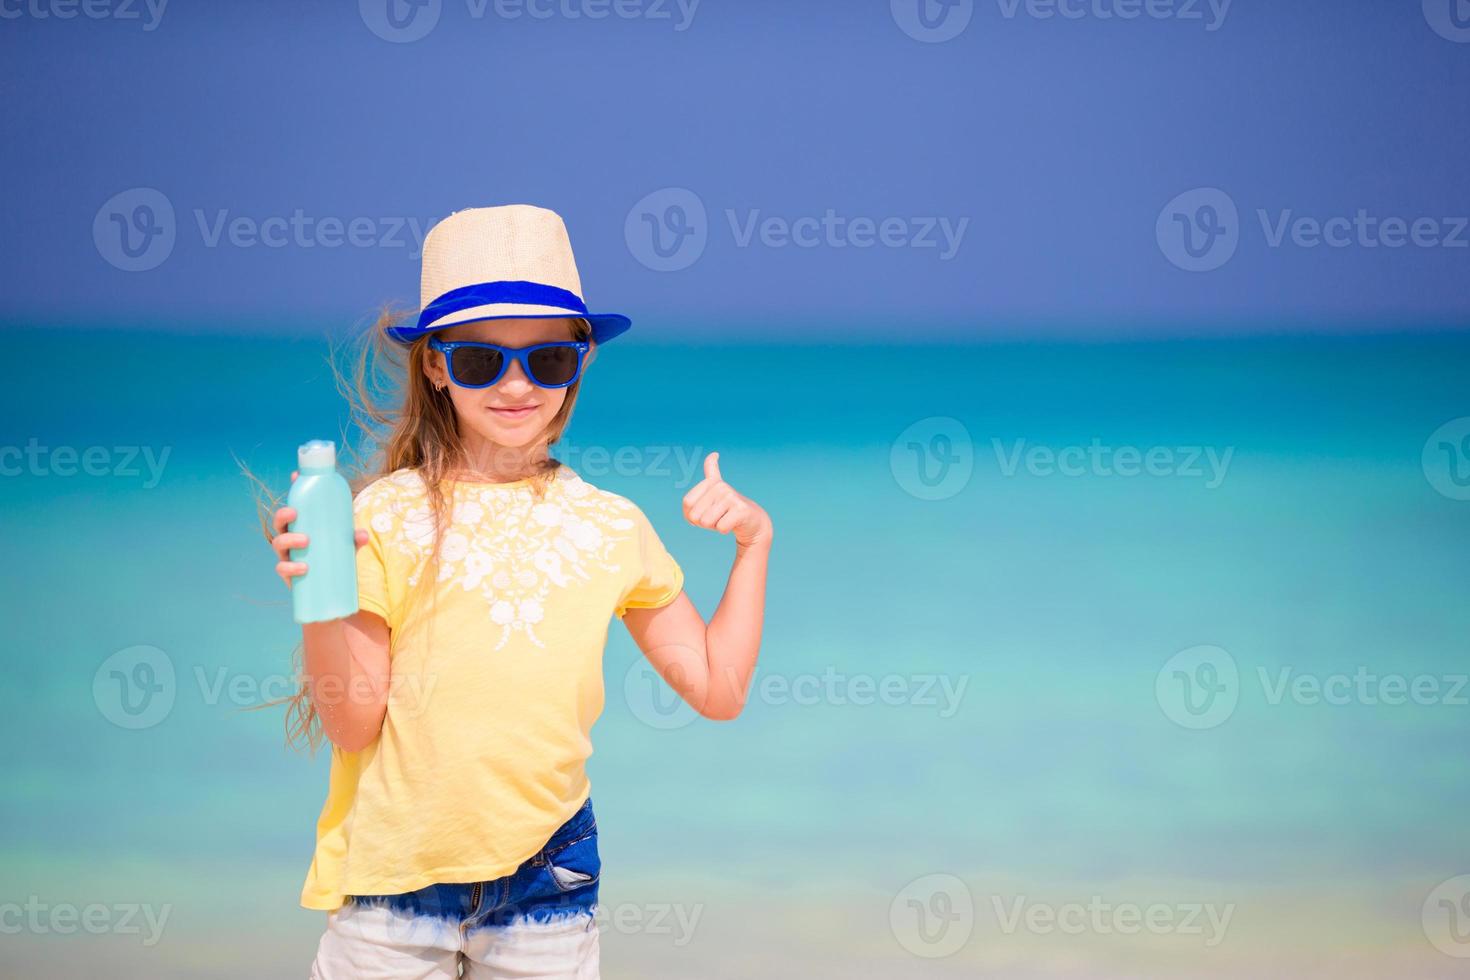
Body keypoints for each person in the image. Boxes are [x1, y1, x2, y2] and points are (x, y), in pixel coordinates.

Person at [265, 204, 773, 978]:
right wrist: (318, 600)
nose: (515, 384)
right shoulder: (384, 516)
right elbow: (353, 721)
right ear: (436, 364)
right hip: (395, 888)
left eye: (546, 359)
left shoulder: (610, 525)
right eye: (479, 360)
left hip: (550, 878)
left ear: (581, 361)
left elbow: (718, 685)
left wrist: (752, 544)